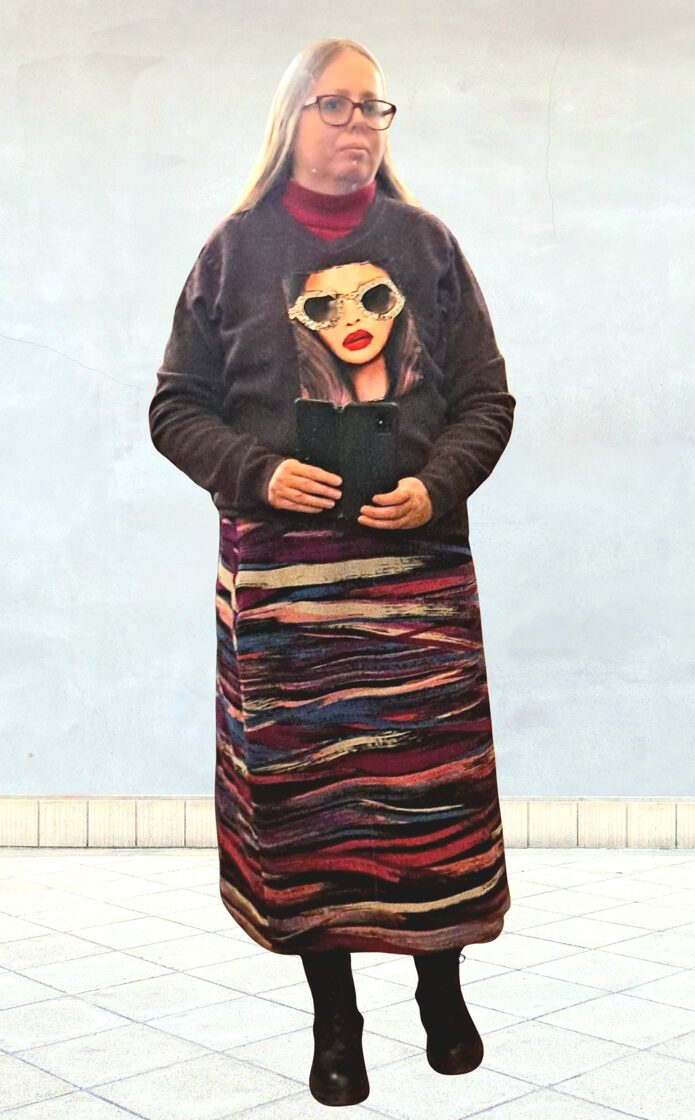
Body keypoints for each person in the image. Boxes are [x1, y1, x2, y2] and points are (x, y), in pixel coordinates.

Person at [149, 37, 517, 1108]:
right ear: (292, 117)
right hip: (285, 597)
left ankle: (440, 988)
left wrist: (435, 487)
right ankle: (335, 1017)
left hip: (415, 590)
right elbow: (175, 409)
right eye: (338, 104)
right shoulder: (231, 254)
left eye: (374, 107)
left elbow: (485, 401)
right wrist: (257, 473)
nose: (359, 123)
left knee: (426, 796)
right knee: (313, 808)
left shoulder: (427, 246)